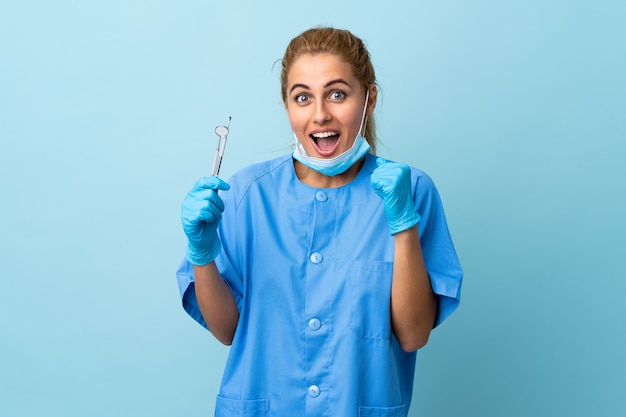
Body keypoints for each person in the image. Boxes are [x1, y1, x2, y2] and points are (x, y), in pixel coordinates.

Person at [176, 27, 463, 417]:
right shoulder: (246, 193)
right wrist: (202, 255)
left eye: (337, 94)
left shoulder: (410, 191)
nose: (320, 114)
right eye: (302, 98)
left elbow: (413, 336)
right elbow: (227, 332)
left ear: (369, 99)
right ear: (287, 106)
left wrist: (403, 225)